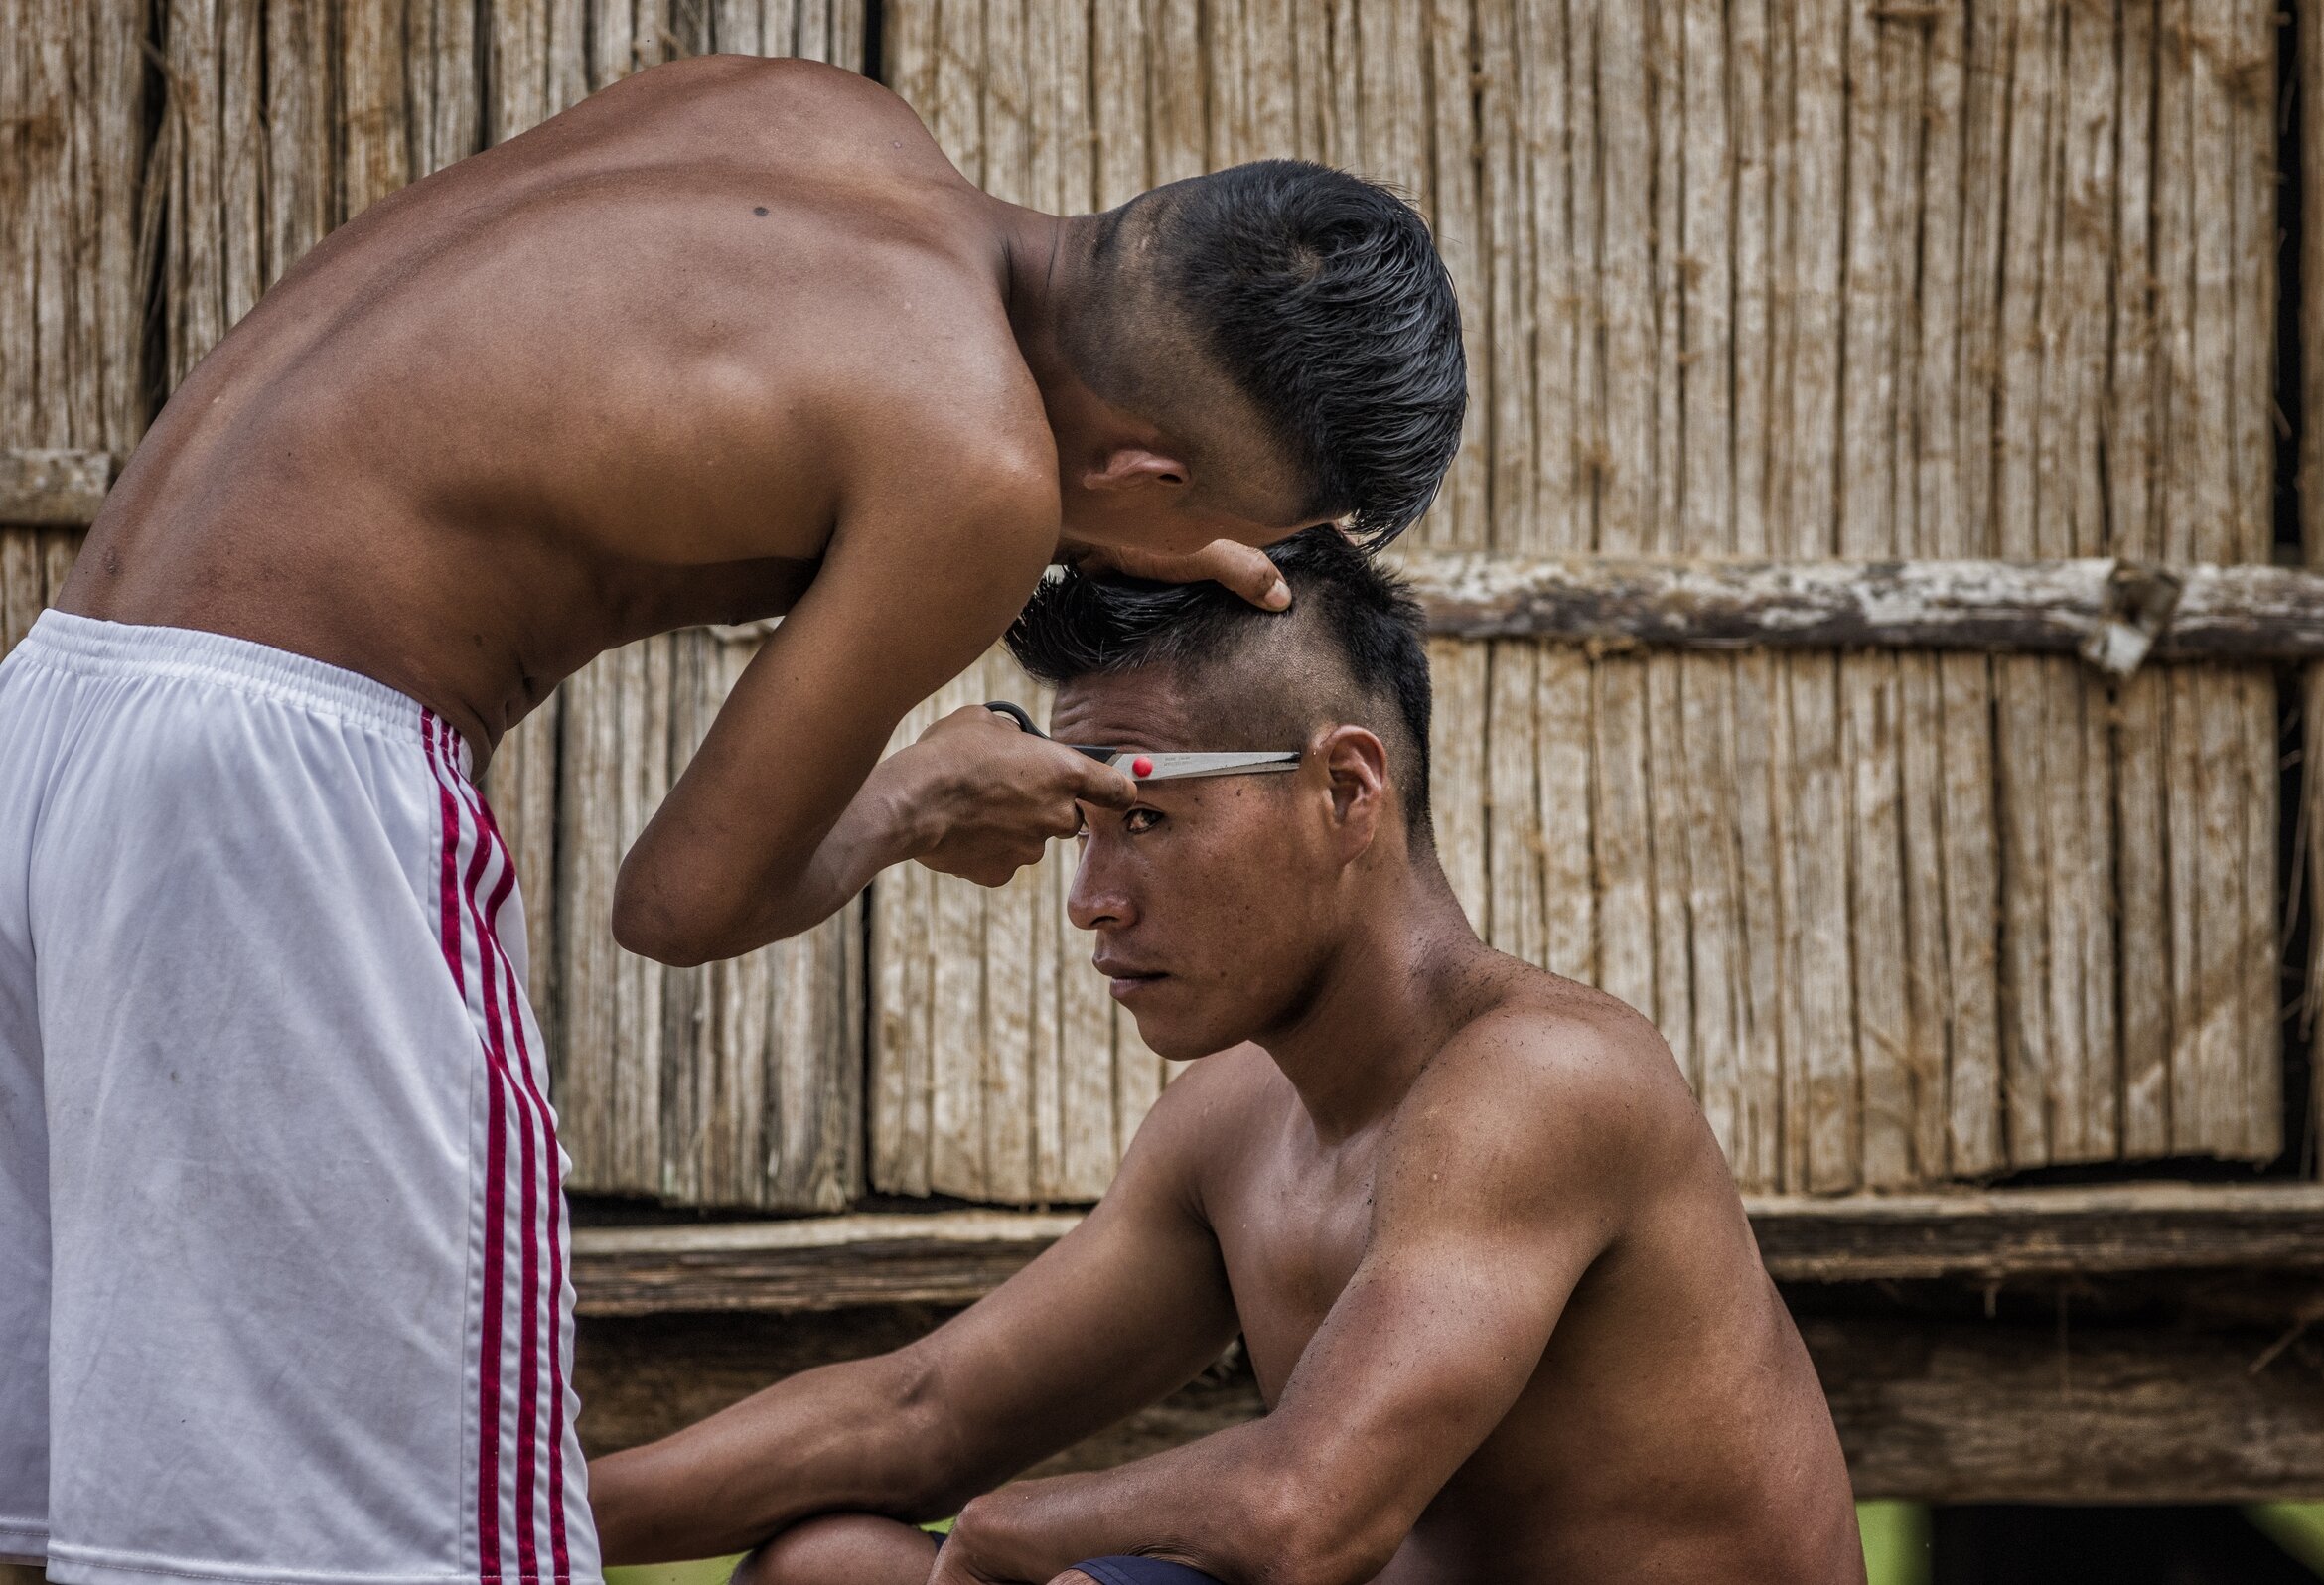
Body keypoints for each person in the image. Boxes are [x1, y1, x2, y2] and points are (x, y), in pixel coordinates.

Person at [0, 54, 1465, 1585]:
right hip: (286, 790)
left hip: (59, 711)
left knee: (94, 1508)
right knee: (422, 1547)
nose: (1210, 565)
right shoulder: (978, 459)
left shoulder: (816, 119)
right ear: (1148, 466)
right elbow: (680, 902)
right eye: (1224, 531)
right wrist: (924, 794)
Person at [588, 529, 1865, 1585]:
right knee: (833, 1574)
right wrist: (502, 1540)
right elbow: (923, 1414)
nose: (1090, 899)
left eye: (1143, 817)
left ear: (1348, 792)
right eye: (1084, 828)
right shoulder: (1240, 1123)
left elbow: (1307, 1508)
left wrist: (1008, 1530)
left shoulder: (1541, 1084)